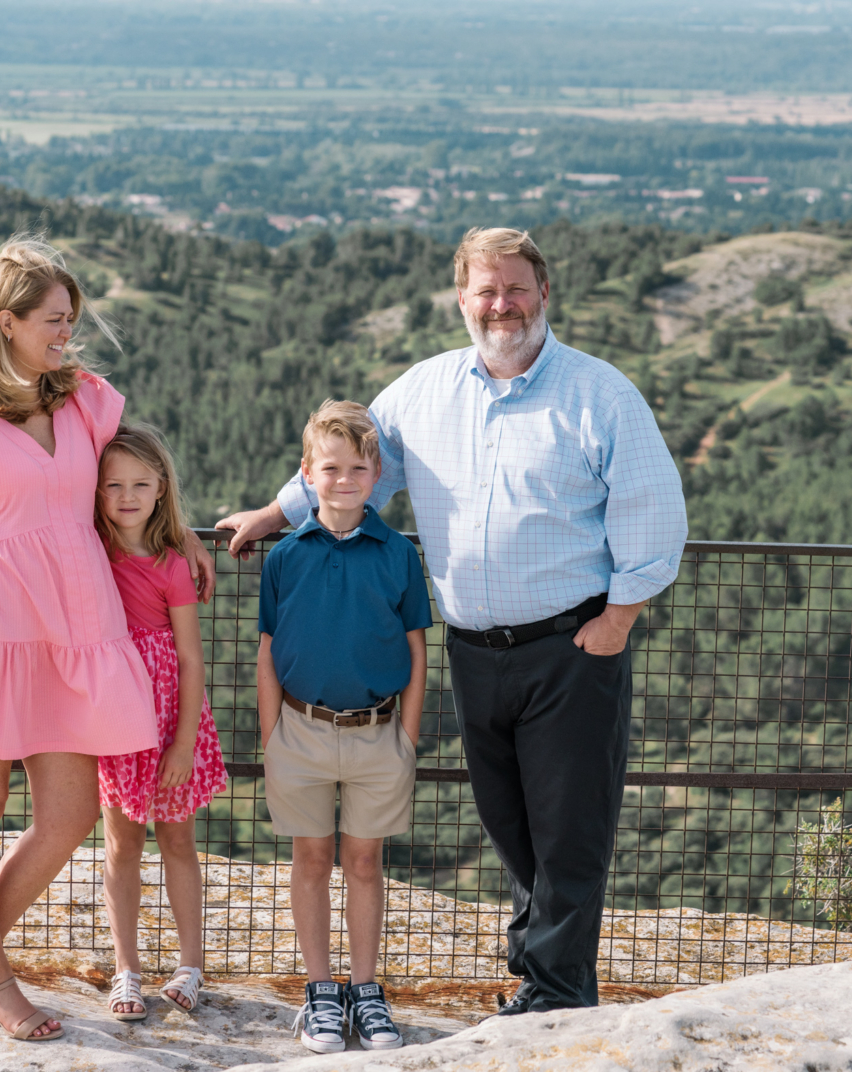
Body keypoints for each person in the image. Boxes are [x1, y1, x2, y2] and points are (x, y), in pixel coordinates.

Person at [219, 228, 687, 1015]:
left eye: (516, 288)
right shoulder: (423, 392)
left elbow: (654, 511)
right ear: (461, 300)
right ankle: (540, 969)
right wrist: (274, 513)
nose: (501, 304)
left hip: (573, 644)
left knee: (570, 826)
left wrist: (622, 617)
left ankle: (556, 992)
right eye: (486, 290)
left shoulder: (600, 393)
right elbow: (351, 465)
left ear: (544, 294)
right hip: (474, 648)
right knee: (509, 820)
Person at [0, 235, 214, 1041]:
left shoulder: (82, 403)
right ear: (7, 323)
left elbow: (136, 477)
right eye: (52, 320)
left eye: (69, 319)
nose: (65, 333)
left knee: (73, 811)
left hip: (77, 626)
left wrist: (184, 535)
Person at [256, 400, 431, 1054]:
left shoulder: (398, 556)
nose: (344, 480)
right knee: (310, 859)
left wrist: (406, 739)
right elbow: (269, 653)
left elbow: (416, 650)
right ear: (308, 473)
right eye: (330, 468)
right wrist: (272, 736)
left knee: (363, 861)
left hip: (378, 734)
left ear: (376, 472)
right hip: (298, 733)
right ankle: (321, 991)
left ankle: (366, 991)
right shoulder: (287, 557)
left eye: (358, 468)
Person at [93, 423, 228, 1021]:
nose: (126, 495)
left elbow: (191, 658)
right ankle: (126, 971)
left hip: (170, 715)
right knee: (121, 845)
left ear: (160, 488)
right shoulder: (90, 548)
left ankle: (191, 966)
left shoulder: (173, 564)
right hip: (114, 714)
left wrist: (181, 745)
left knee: (178, 840)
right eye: (113, 484)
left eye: (140, 484)